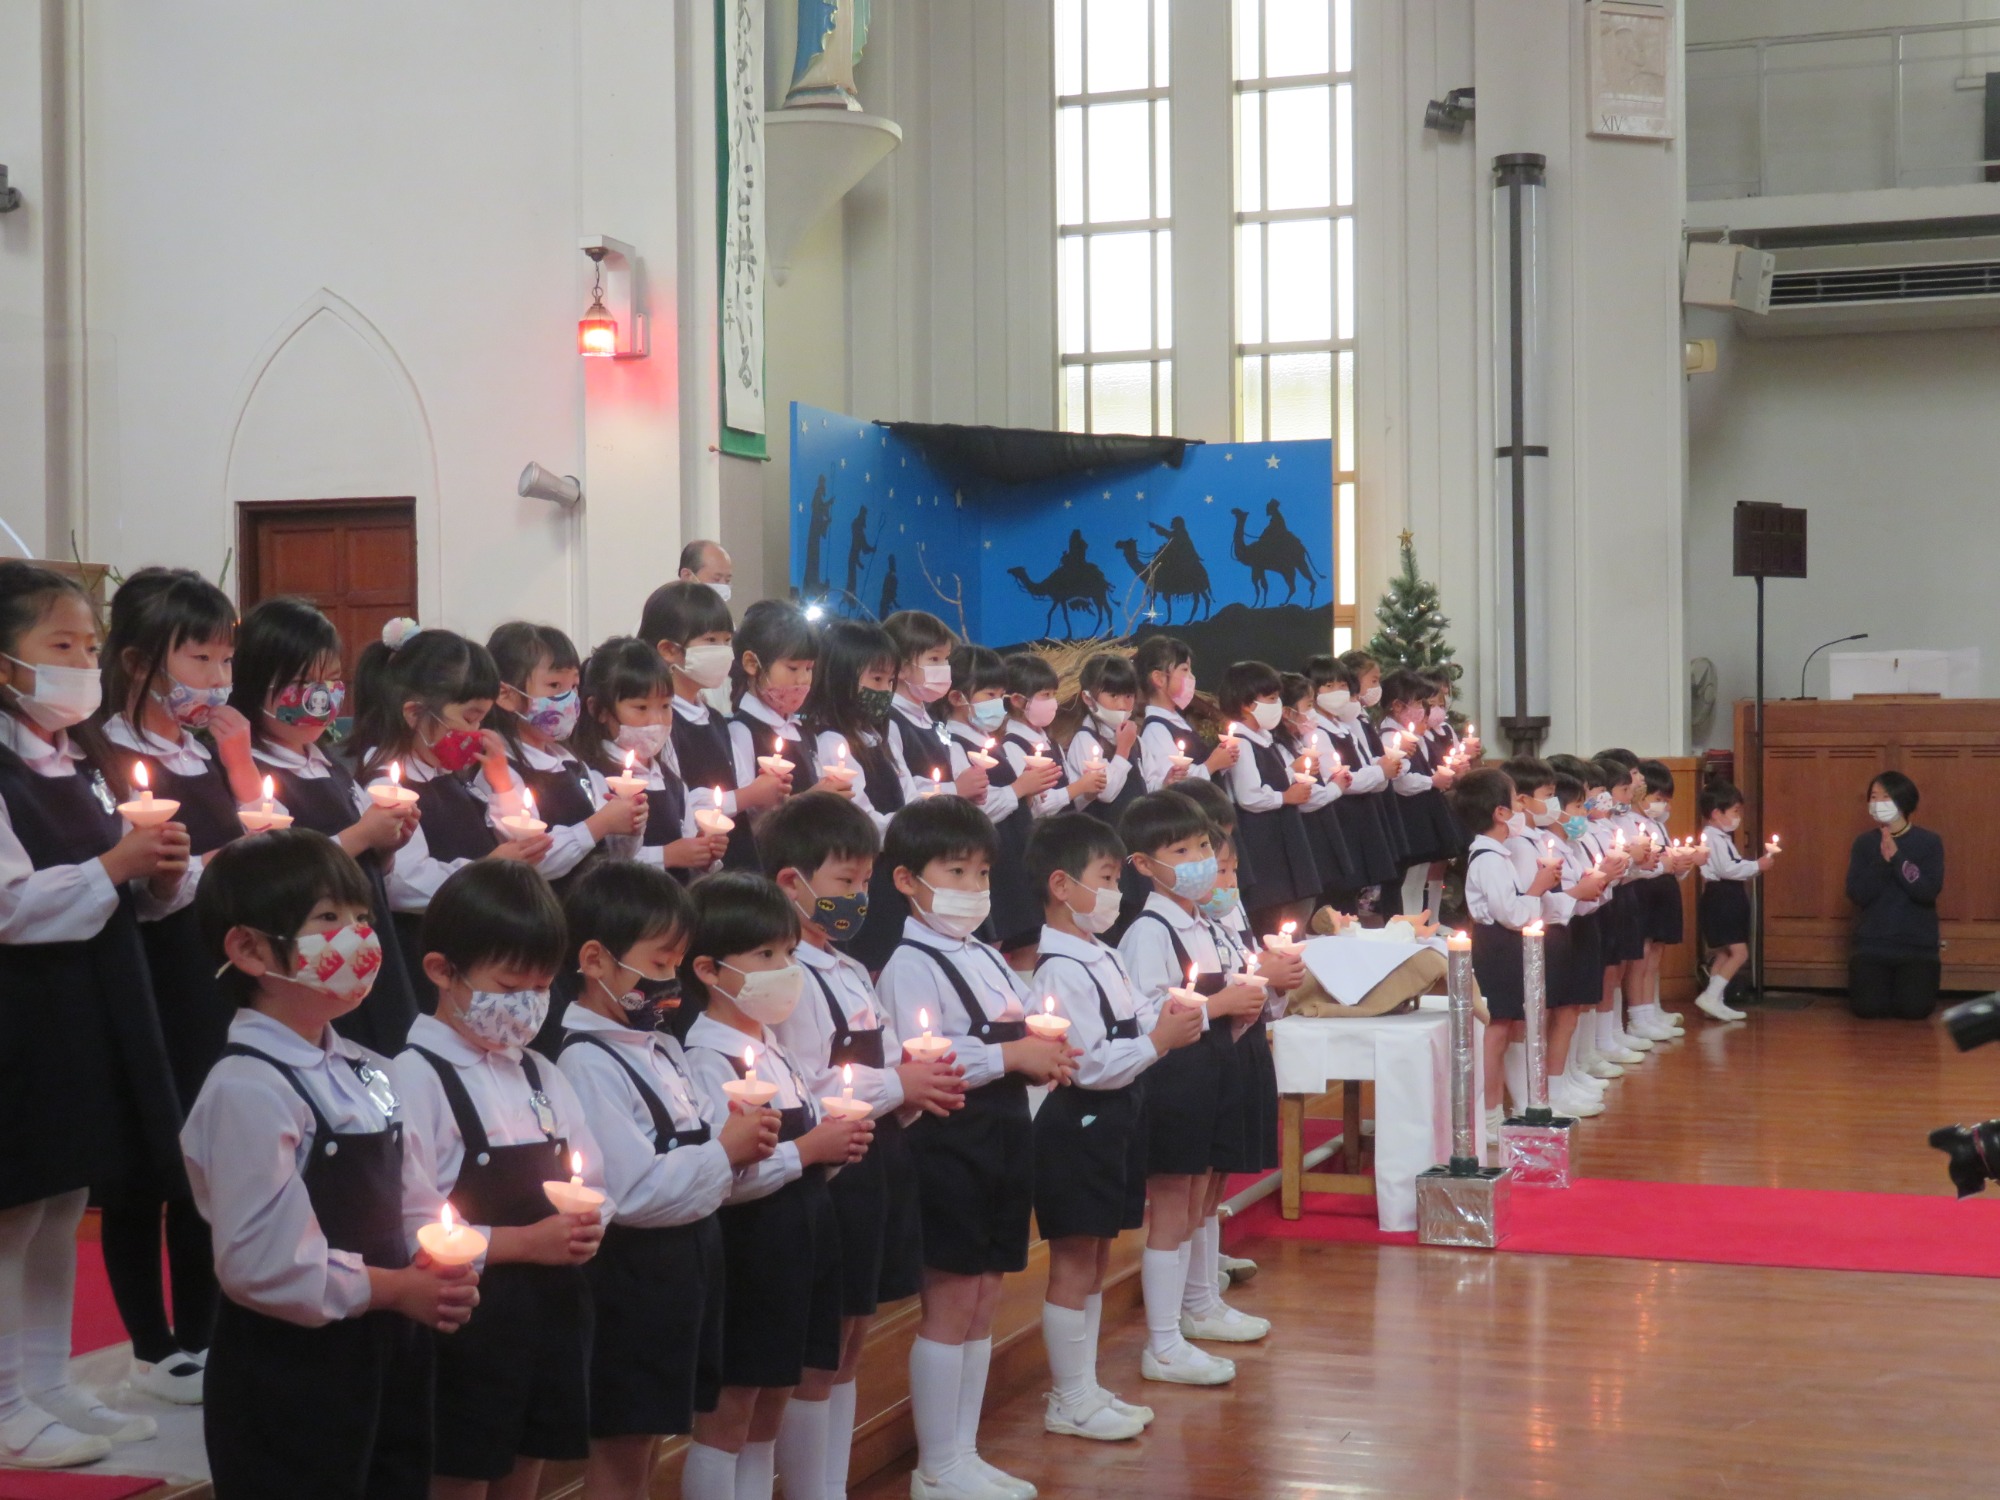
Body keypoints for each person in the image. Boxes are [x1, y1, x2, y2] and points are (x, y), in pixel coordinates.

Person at [189, 829, 479, 1499]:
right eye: (329, 920)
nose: (358, 938)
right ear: (250, 948)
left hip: (386, 1349)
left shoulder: (366, 1068)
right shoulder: (248, 1088)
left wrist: (432, 1261)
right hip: (294, 1369)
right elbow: (266, 1266)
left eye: (363, 920)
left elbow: (409, 1199)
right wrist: (395, 1288)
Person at [0, 562, 189, 1468]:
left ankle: (49, 1384)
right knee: (13, 1207)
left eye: (89, 645)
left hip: (92, 1001)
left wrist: (160, 876)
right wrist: (118, 867)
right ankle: (3, 1401)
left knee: (62, 1196)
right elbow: (8, 905)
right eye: (61, 647)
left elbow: (120, 897)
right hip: (22, 1014)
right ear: (6, 664)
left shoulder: (80, 759)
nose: (83, 662)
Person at [760, 793, 963, 1499]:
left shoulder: (846, 968)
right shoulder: (788, 978)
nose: (857, 899)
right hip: (827, 1173)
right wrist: (899, 1083)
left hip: (875, 1162)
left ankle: (831, 1484)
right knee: (819, 1353)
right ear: (793, 883)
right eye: (845, 883)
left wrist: (914, 1087)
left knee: (851, 1341)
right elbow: (809, 1087)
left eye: (863, 884)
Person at [554, 861, 777, 1500]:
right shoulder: (587, 1062)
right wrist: (724, 1152)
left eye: (678, 963)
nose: (670, 981)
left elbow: (701, 1146)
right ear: (595, 960)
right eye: (658, 962)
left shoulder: (659, 1047)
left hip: (686, 1266)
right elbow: (632, 1193)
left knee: (650, 1441)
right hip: (633, 1278)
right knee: (623, 1447)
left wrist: (735, 1143)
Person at [875, 797, 1074, 1500]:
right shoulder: (908, 962)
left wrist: (1044, 1046)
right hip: (948, 1137)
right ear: (906, 879)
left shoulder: (979, 953)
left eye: (981, 872)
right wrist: (1012, 1056)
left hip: (1000, 1131)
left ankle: (964, 1450)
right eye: (953, 871)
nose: (971, 887)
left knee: (987, 1295)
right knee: (953, 1299)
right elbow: (920, 1058)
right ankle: (936, 1464)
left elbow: (1017, 1024)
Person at [392, 861, 608, 1500]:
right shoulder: (416, 1076)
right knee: (460, 1475)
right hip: (464, 1324)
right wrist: (524, 1245)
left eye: (542, 985)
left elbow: (593, 1175)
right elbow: (408, 1226)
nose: (528, 1003)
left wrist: (592, 1219)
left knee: (527, 1472)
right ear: (441, 971)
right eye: (511, 983)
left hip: (549, 1315)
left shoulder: (540, 1072)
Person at [97, 565, 245, 1401]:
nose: (215, 680)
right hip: (156, 972)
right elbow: (145, 889)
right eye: (199, 659)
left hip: (219, 971)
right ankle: (152, 1346)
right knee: (146, 1161)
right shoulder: (107, 751)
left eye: (225, 660)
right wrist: (221, 866)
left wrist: (233, 758)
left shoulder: (198, 746)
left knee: (209, 1152)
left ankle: (203, 1329)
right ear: (139, 660)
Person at [677, 872, 874, 1500]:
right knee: (731, 1412)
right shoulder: (707, 1057)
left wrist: (835, 1149)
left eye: (788, 954)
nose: (785, 969)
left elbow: (807, 1147)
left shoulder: (776, 1051)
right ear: (708, 970)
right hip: (750, 1248)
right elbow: (725, 1178)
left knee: (770, 1407)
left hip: (802, 1236)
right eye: (765, 955)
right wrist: (809, 1149)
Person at [1028, 813, 1195, 1442]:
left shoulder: (1098, 953)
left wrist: (1165, 1020)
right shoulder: (1061, 969)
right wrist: (1159, 1041)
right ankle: (1067, 1397)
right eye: (1105, 877)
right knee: (1073, 1259)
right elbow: (1090, 1061)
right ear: (1062, 886)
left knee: (1097, 1256)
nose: (1115, 892)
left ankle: (1086, 1385)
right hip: (1079, 1123)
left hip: (1116, 1116)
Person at [226, 596, 424, 1055]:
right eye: (302, 682)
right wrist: (362, 836)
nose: (320, 696)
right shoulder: (251, 771)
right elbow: (276, 868)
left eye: (331, 681)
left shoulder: (330, 765)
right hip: (312, 963)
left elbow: (368, 858)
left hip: (369, 946)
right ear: (256, 682)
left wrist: (389, 844)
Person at [1116, 791, 1264, 1388]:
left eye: (1204, 845)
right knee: (1173, 1205)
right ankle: (1164, 1341)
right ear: (1145, 866)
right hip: (1174, 1078)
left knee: (1203, 1194)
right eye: (1181, 850)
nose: (1201, 858)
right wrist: (1219, 1005)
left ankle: (1201, 1304)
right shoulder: (1149, 930)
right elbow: (1146, 1015)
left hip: (1214, 1068)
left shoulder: (1203, 921)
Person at [352, 622, 551, 1010]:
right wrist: (488, 870)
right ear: (414, 714)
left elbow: (515, 828)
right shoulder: (386, 782)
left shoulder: (451, 774)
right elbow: (404, 884)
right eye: (470, 718)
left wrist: (501, 783)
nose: (478, 732)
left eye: (483, 720)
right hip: (430, 963)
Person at [486, 622, 645, 893]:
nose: (569, 699)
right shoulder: (500, 770)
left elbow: (614, 853)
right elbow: (534, 858)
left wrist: (628, 825)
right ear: (507, 695)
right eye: (554, 685)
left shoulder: (573, 763)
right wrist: (602, 822)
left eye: (573, 686)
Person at [570, 636, 730, 881]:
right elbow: (601, 862)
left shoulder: (671, 781)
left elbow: (684, 852)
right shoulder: (591, 775)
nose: (656, 719)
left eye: (665, 706)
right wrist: (665, 856)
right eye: (641, 708)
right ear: (598, 710)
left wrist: (702, 853)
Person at [1454, 768, 1558, 1135]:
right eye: (1515, 801)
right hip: (1494, 946)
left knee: (1508, 1024)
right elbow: (1511, 914)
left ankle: (1506, 1105)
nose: (1520, 809)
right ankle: (1487, 1114)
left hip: (1505, 944)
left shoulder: (1498, 856)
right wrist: (1538, 888)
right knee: (1495, 1030)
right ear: (1500, 813)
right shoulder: (1488, 860)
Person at [1213, 660, 1317, 934]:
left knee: (1289, 906)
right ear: (1247, 704)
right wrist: (1286, 796)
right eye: (1271, 698)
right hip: (1260, 838)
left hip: (1277, 831)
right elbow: (1249, 796)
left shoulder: (1263, 738)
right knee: (1268, 913)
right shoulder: (1242, 743)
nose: (1278, 704)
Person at [1845, 770, 1944, 1020]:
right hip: (1873, 944)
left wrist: (1897, 858)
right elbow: (1858, 894)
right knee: (1867, 1009)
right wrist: (1882, 861)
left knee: (1915, 1011)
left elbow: (1926, 891)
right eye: (1874, 797)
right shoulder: (1864, 844)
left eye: (1885, 797)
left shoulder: (1929, 842)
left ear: (1903, 801)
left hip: (1916, 946)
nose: (1878, 803)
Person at [1695, 781, 1775, 1023]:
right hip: (1722, 897)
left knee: (1724, 952)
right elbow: (1727, 868)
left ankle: (1715, 1001)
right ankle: (1710, 996)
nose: (1738, 817)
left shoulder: (1721, 837)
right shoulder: (1712, 837)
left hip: (1726, 895)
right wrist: (1756, 866)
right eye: (1735, 812)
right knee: (1740, 952)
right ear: (1717, 813)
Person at [1132, 637, 1236, 794]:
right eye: (1185, 670)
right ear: (1159, 678)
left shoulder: (1177, 719)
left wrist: (1222, 760)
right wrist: (1212, 764)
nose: (1191, 678)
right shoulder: (1155, 729)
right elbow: (1174, 780)